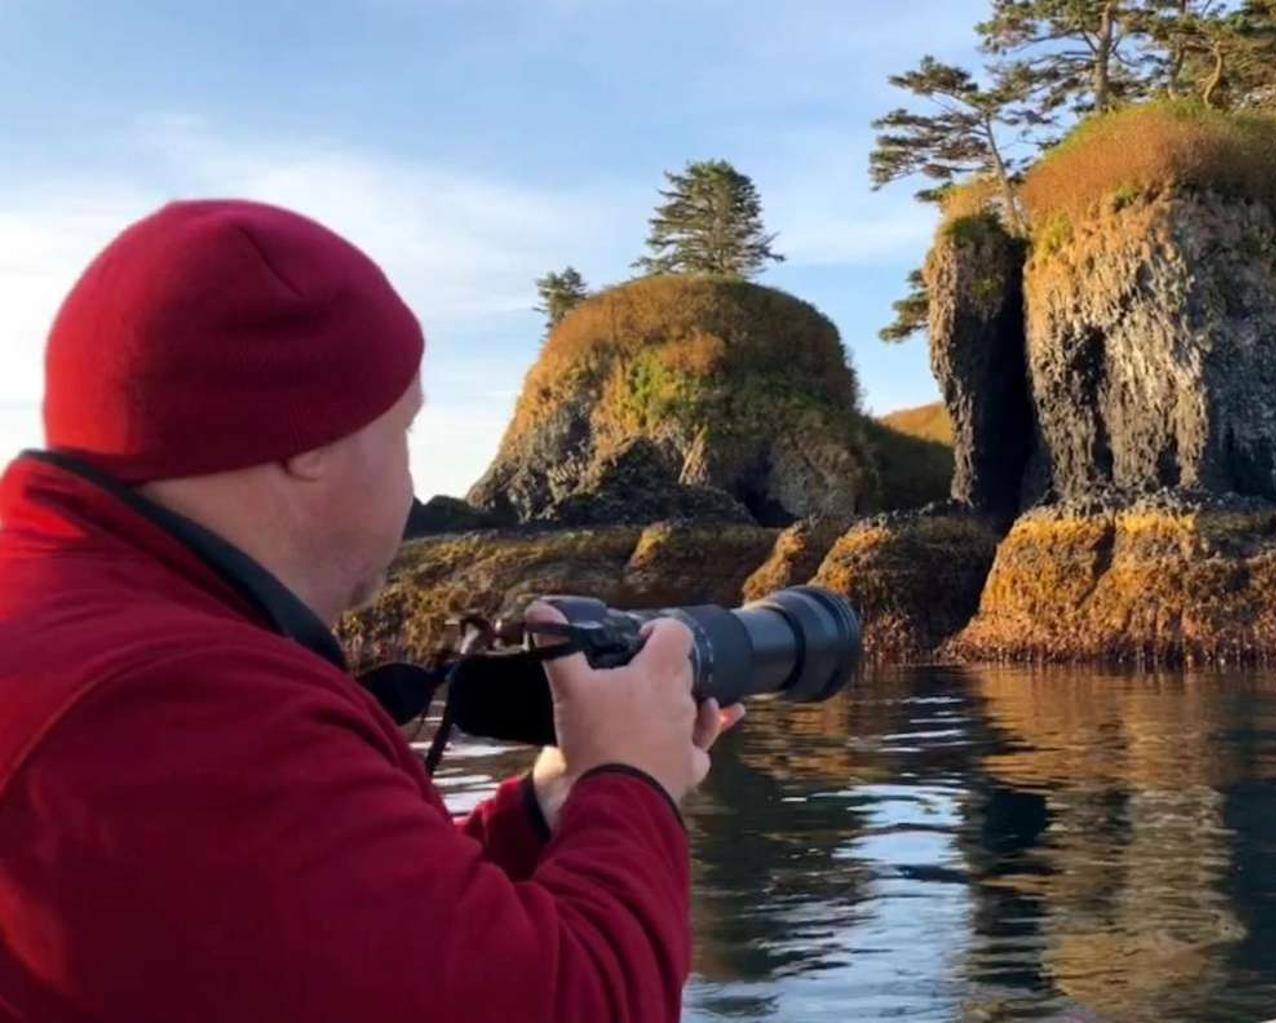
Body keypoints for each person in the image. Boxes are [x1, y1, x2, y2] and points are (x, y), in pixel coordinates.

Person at [0, 198, 742, 1022]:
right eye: (405, 431)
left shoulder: (76, 635)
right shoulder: (173, 708)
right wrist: (630, 780)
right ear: (305, 441)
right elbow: (576, 1005)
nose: (414, 486)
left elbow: (321, 951)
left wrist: (553, 807)